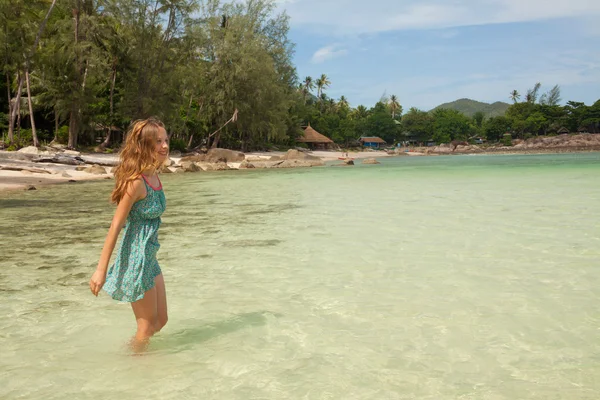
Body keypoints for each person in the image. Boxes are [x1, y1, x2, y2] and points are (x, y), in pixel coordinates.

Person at [89, 117, 169, 351]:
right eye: (157, 142)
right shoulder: (136, 183)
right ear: (144, 145)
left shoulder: (154, 176)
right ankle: (137, 368)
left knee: (160, 322)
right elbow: (115, 226)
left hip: (150, 257)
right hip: (136, 258)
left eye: (165, 140)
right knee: (145, 328)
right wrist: (100, 270)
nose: (164, 146)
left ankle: (133, 362)